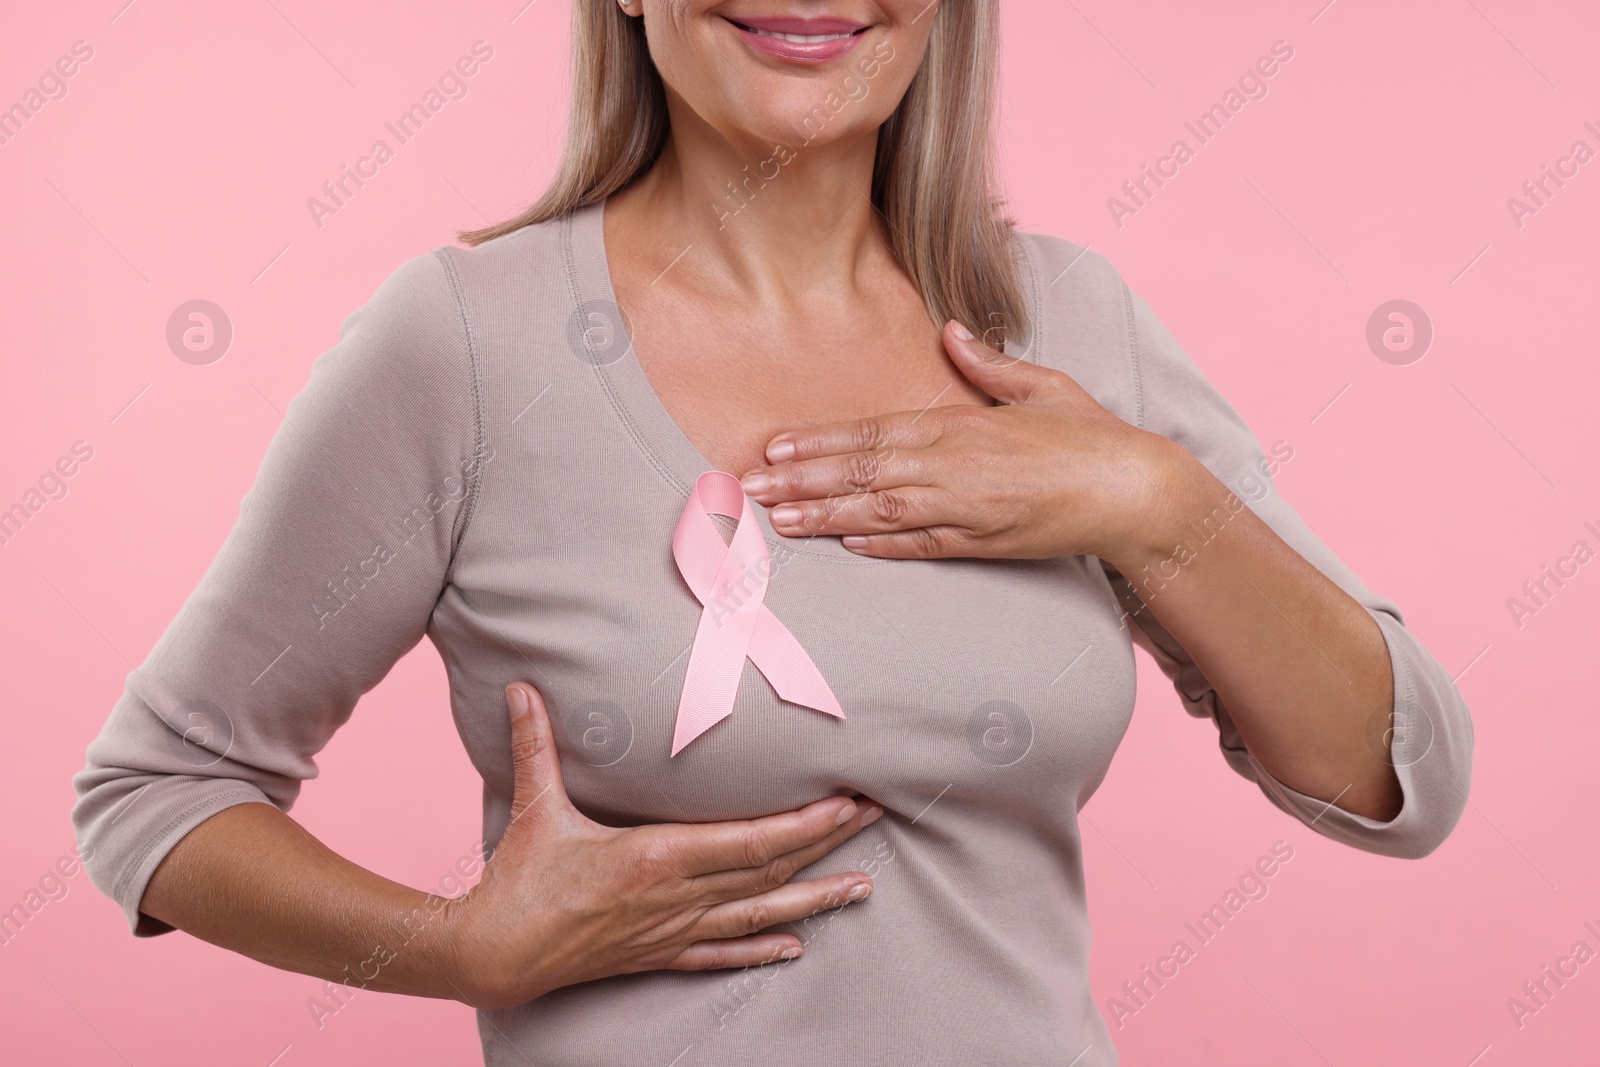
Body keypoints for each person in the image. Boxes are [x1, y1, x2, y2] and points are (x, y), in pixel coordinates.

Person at [71, 2, 1474, 1064]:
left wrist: (1155, 503)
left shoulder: (1070, 326)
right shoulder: (465, 346)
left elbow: (1405, 775)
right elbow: (156, 792)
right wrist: (460, 947)